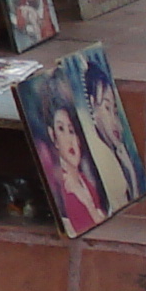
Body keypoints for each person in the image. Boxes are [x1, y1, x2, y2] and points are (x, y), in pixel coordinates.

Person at [79, 52, 146, 206]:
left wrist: (129, 169)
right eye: (107, 107)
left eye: (115, 111)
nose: (114, 121)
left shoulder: (116, 152)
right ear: (92, 104)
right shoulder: (95, 154)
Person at [41, 88, 112, 232]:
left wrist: (88, 203)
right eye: (61, 129)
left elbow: (100, 218)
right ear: (53, 135)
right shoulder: (61, 186)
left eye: (72, 131)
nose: (70, 140)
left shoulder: (83, 179)